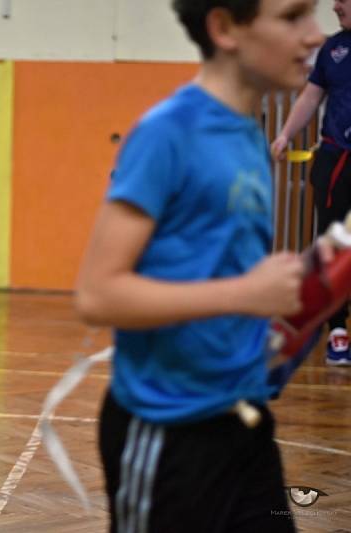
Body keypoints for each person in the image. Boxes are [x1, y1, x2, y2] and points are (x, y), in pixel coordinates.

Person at [74, 1, 324, 531]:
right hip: (167, 433)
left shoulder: (249, 135)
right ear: (225, 27)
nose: (314, 34)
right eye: (293, 16)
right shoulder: (169, 133)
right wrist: (244, 295)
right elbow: (97, 295)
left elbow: (222, 277)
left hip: (246, 422)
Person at [271, 0, 351, 366]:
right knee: (334, 243)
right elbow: (312, 95)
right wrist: (286, 134)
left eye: (343, 0)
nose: (335, 6)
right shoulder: (332, 50)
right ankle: (337, 332)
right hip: (337, 157)